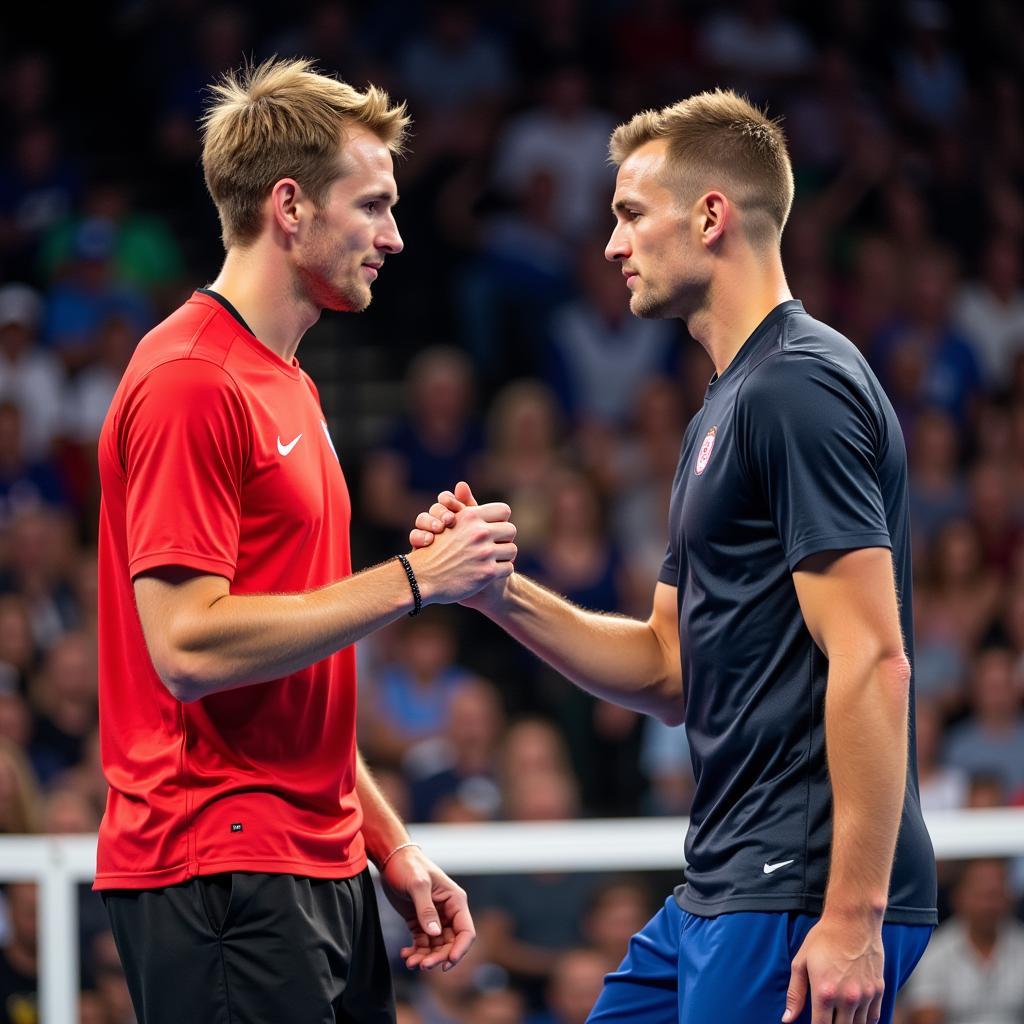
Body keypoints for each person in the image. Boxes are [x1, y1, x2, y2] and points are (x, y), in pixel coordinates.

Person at [413, 89, 937, 1023]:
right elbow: (667, 668)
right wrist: (497, 594)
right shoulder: (724, 411)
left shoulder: (797, 389)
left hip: (800, 884)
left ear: (710, 216)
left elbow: (873, 655)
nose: (610, 245)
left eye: (627, 214)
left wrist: (854, 913)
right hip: (725, 877)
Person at [94, 58, 518, 1024]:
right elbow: (189, 647)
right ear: (289, 206)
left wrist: (390, 842)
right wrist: (415, 579)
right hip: (216, 866)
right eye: (371, 206)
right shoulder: (192, 379)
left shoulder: (287, 382)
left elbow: (296, 672)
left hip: (313, 861)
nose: (395, 236)